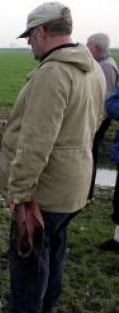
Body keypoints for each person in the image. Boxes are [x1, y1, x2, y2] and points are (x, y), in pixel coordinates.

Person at [0, 2, 106, 313]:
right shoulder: (91, 67)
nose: (29, 41)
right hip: (73, 187)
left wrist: (19, 193)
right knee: (53, 251)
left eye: (30, 35)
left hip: (43, 193)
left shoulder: (53, 72)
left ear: (43, 32)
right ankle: (49, 306)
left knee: (29, 263)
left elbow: (35, 144)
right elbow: (95, 122)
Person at [86, 32, 119, 251]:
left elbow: (106, 100)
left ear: (96, 48)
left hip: (99, 120)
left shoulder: (105, 67)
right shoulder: (106, 63)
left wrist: (93, 121)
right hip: (101, 119)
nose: (86, 49)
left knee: (90, 154)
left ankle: (86, 193)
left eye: (88, 46)